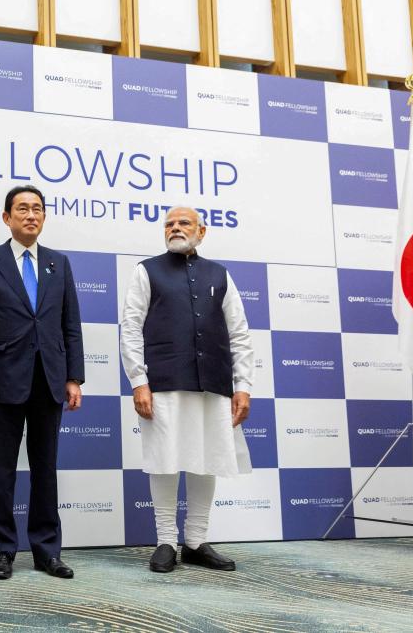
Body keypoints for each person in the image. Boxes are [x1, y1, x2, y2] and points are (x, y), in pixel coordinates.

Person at [119, 206, 253, 573]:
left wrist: (243, 385)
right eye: (170, 224)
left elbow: (239, 333)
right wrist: (139, 380)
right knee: (164, 459)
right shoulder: (146, 271)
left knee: (206, 457)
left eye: (183, 223)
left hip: (214, 382)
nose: (175, 228)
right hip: (162, 382)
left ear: (201, 231)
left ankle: (195, 541)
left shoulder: (220, 274)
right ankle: (165, 541)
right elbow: (130, 327)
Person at [0, 184, 84, 581]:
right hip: (2, 380)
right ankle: (2, 551)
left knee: (45, 470)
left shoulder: (59, 263)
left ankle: (47, 551)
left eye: (37, 209)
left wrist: (74, 377)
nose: (30, 215)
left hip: (49, 380)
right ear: (6, 217)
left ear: (44, 216)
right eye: (22, 209)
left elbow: (71, 326)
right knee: (1, 471)